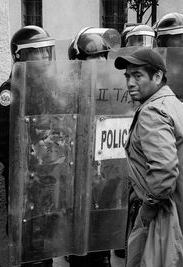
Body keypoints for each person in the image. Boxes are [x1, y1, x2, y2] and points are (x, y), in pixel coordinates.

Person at [114, 47, 183, 266]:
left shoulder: (153, 111)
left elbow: (163, 172)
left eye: (137, 75)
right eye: (128, 76)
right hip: (182, 213)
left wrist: (147, 211)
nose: (130, 83)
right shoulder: (173, 104)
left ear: (157, 76)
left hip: (163, 219)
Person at [0, 25, 55, 267]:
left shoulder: (44, 89)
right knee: (27, 243)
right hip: (23, 182)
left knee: (45, 241)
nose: (46, 57)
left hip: (46, 180)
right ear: (21, 56)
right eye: (39, 51)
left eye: (48, 51)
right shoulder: (10, 93)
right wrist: (24, 165)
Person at [67, 27, 111, 267]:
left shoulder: (113, 88)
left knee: (102, 244)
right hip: (77, 181)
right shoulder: (66, 90)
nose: (102, 62)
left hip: (104, 178)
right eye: (96, 57)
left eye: (104, 56)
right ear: (79, 61)